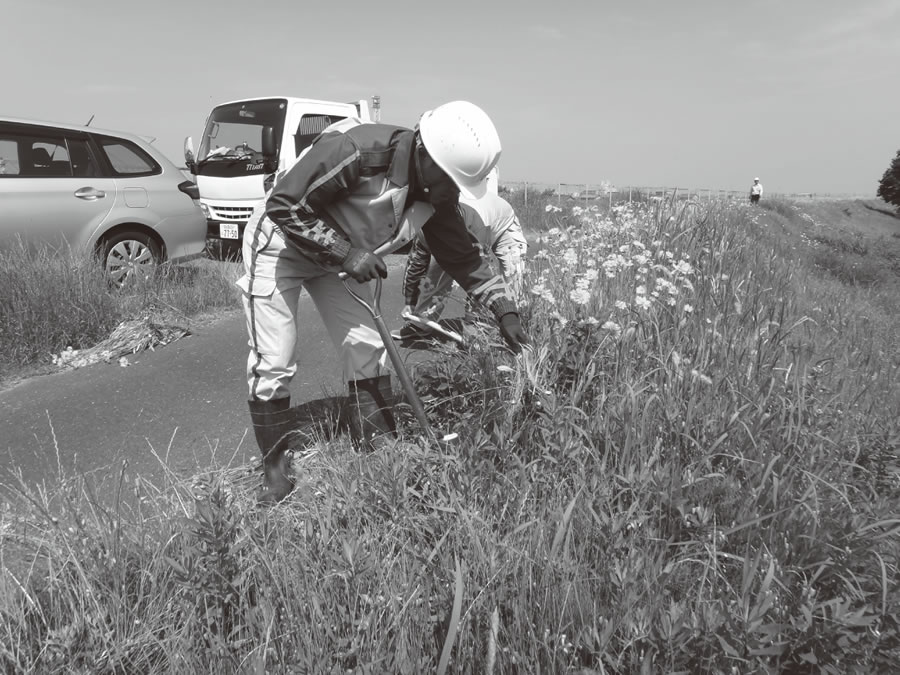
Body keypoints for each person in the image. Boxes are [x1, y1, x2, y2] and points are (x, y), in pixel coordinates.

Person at [238, 100, 529, 504]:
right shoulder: (357, 149)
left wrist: (505, 310)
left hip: (342, 258)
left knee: (368, 350)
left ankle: (378, 451)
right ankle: (276, 470)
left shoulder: (434, 193)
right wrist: (346, 253)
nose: (451, 193)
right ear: (425, 155)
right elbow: (285, 205)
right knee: (275, 358)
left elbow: (463, 257)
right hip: (281, 247)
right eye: (449, 181)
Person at [392, 184, 528, 342]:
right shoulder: (425, 224)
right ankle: (421, 323)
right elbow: (416, 265)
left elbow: (480, 275)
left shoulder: (472, 223)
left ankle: (499, 326)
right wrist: (410, 302)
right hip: (462, 228)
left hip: (502, 227)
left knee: (513, 276)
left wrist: (472, 322)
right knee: (436, 273)